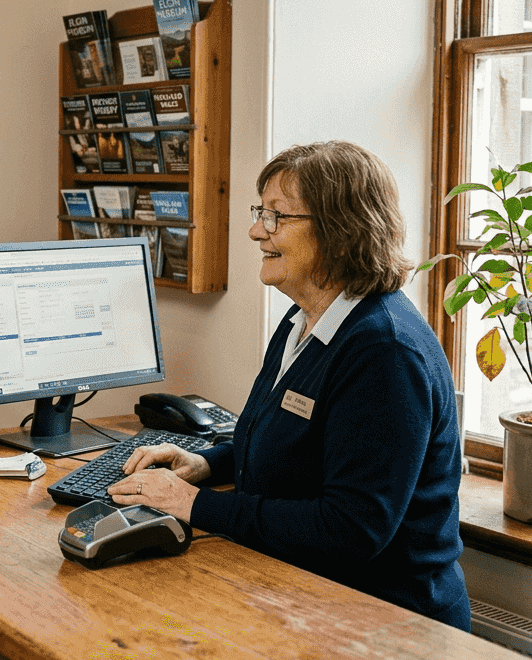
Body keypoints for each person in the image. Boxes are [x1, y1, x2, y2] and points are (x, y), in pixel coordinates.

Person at [108, 140, 472, 631]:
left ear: (341, 231)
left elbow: (351, 529)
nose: (257, 230)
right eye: (261, 212)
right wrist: (206, 463)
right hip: (298, 598)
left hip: (385, 625)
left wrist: (195, 505)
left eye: (277, 216)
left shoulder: (384, 352)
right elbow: (290, 442)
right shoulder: (304, 321)